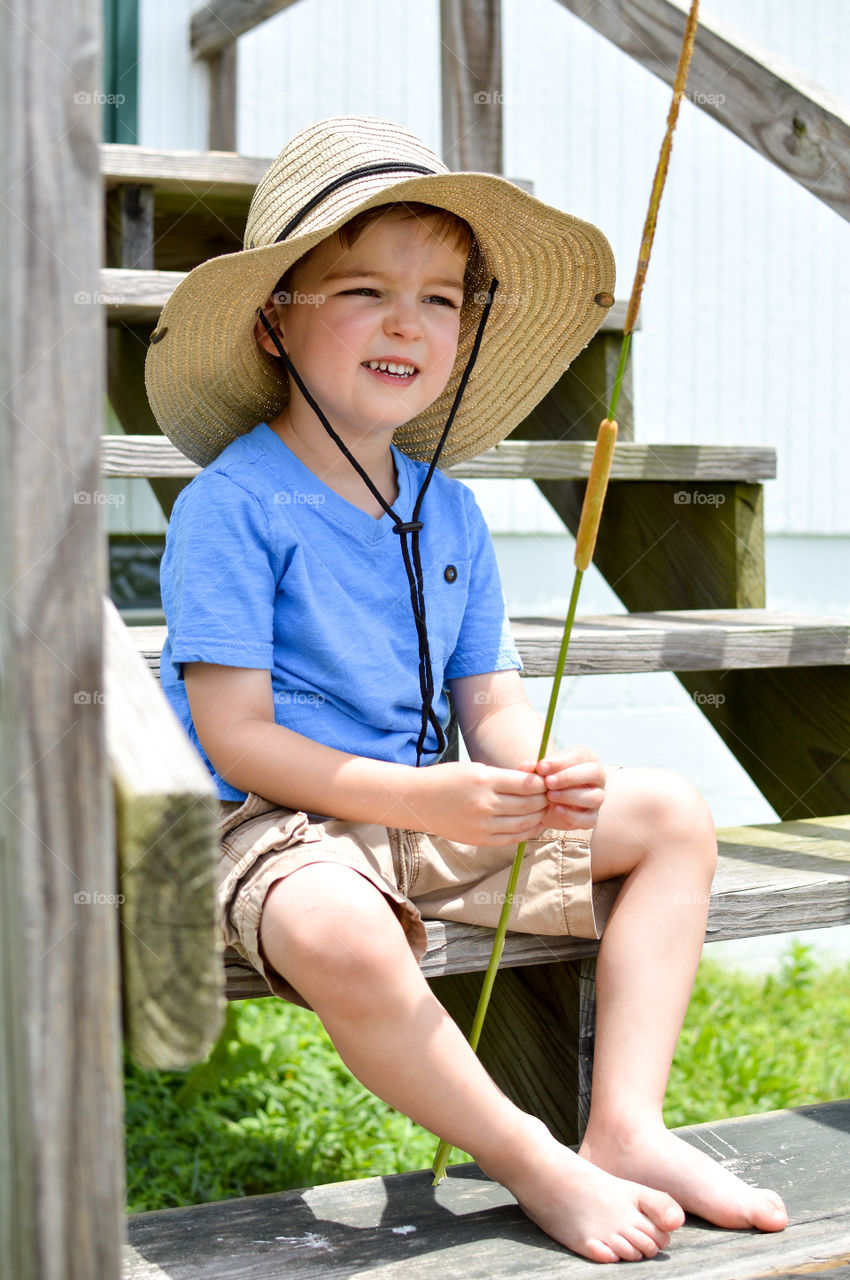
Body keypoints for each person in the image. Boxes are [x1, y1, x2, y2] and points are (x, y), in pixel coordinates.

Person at [146, 115, 787, 1263]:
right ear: (272, 321)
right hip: (276, 822)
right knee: (339, 930)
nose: (407, 320)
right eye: (362, 288)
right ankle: (530, 1154)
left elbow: (484, 693)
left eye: (441, 298)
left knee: (672, 816)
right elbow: (235, 739)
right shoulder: (233, 506)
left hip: (426, 804)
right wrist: (420, 794)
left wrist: (524, 768)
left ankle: (625, 1122)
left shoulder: (446, 508)